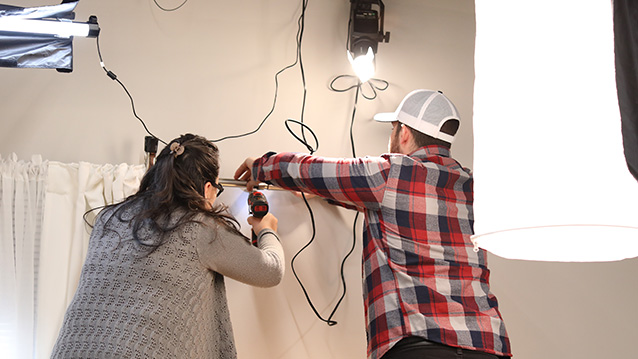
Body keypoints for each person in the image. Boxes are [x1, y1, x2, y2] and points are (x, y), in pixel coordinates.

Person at [235, 90, 512, 359]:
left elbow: (313, 170)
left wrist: (261, 166)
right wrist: (322, 193)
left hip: (418, 344)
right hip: (488, 343)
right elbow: (394, 207)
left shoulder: (389, 173)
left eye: (392, 130)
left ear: (403, 132)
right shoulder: (474, 189)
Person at [51, 134, 284, 359]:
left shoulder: (109, 217)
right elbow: (270, 271)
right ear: (206, 188)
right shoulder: (200, 228)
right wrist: (266, 229)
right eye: (216, 189)